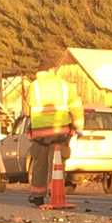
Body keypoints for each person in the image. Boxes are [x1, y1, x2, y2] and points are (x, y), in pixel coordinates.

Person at [26, 70, 84, 207]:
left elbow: (28, 110)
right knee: (57, 164)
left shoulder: (34, 86)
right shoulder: (66, 86)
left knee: (39, 164)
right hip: (60, 131)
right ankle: (55, 192)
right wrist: (79, 128)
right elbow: (76, 109)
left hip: (39, 133)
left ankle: (38, 196)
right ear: (53, 71)